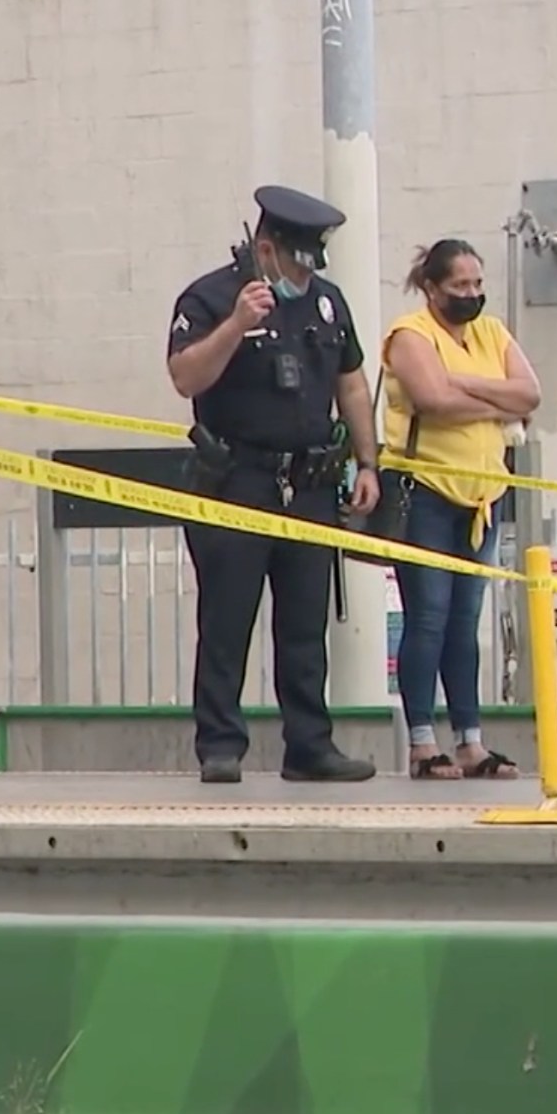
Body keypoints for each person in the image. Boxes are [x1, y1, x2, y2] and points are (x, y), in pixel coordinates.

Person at [165, 185, 382, 785]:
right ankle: (220, 745)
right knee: (228, 620)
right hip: (236, 480)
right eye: (297, 261)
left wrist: (367, 462)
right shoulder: (210, 298)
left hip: (308, 483)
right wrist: (237, 324)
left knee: (306, 624)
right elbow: (186, 377)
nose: (307, 275)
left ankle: (310, 744)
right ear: (266, 249)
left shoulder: (327, 305)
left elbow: (353, 384)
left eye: (315, 263)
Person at [379, 238, 543, 781]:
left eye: (477, 285)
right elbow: (433, 401)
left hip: (483, 496)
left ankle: (470, 740)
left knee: (464, 623)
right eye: (460, 287)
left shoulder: (491, 333)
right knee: (426, 618)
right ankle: (423, 742)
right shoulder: (411, 335)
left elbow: (530, 394)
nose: (472, 295)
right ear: (432, 288)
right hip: (425, 490)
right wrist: (498, 402)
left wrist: (469, 382)